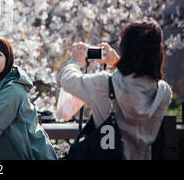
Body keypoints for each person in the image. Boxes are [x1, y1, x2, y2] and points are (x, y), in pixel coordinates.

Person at [57, 19, 172, 160]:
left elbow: (68, 80)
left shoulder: (104, 84)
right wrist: (117, 63)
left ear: (126, 49)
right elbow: (134, 84)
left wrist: (75, 61)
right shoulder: (163, 92)